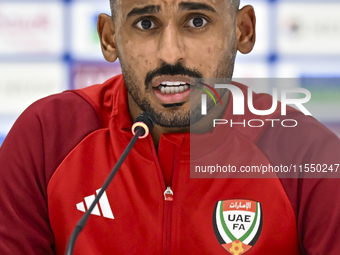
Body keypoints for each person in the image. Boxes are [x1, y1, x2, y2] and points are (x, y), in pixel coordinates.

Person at [1, 0, 340, 254]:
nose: (170, 54)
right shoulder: (47, 138)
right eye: (146, 24)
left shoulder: (306, 156)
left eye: (196, 21)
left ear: (243, 31)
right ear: (109, 38)